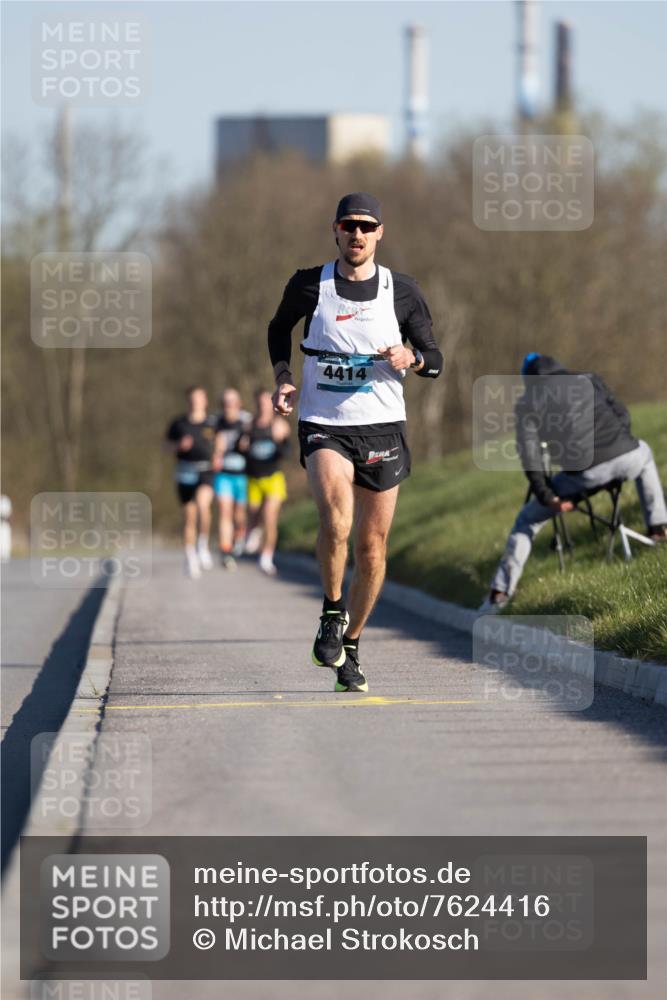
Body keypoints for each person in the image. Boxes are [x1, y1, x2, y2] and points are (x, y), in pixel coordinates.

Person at [268, 192, 443, 692]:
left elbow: (435, 357)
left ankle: (352, 643)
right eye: (349, 226)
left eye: (367, 226)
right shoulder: (310, 284)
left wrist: (411, 357)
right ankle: (330, 610)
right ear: (336, 230)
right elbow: (278, 328)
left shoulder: (401, 290)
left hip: (383, 426)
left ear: (380, 233)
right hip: (325, 422)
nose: (358, 234)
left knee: (372, 548)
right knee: (337, 516)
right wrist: (282, 376)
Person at [480, 353, 667, 611]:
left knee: (527, 518)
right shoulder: (588, 378)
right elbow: (622, 413)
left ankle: (500, 593)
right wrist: (619, 443)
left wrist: (548, 496)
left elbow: (530, 454)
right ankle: (658, 528)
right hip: (627, 456)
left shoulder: (528, 402)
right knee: (644, 453)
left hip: (585, 474)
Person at [165, 386, 217, 579]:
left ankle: (202, 545)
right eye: (192, 399)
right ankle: (190, 557)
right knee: (189, 517)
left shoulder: (212, 422)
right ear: (188, 401)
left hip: (205, 469)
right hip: (185, 470)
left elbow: (219, 441)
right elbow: (166, 446)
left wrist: (218, 455)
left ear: (205, 401)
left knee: (203, 506)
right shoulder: (178, 423)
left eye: (199, 398)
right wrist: (178, 445)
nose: (196, 402)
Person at [243, 390, 291, 577]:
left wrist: (280, 441)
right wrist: (242, 447)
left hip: (273, 477)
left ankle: (266, 557)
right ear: (256, 404)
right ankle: (253, 531)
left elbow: (287, 453)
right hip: (254, 477)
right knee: (254, 514)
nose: (263, 406)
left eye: (266, 402)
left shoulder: (279, 425)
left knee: (269, 516)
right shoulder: (249, 425)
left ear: (271, 403)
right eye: (259, 402)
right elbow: (240, 452)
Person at [213, 388, 252, 570]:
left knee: (239, 515)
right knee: (224, 512)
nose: (228, 406)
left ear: (239, 404)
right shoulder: (216, 422)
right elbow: (208, 445)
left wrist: (247, 445)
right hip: (223, 474)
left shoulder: (247, 421)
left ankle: (240, 536)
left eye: (232, 402)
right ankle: (226, 550)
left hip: (242, 475)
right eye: (225, 403)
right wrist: (215, 451)